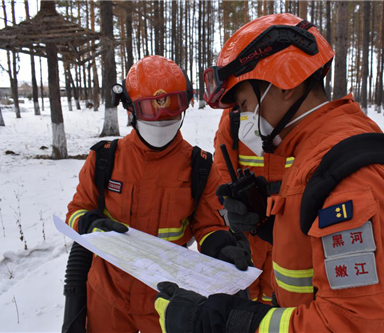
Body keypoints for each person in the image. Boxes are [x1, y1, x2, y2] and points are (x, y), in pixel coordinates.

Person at [155, 14, 384, 332]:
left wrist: (223, 322)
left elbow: (354, 324)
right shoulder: (317, 154)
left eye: (244, 104)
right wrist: (270, 223)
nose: (243, 120)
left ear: (287, 84)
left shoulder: (354, 179)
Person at [65, 55, 252, 333]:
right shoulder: (105, 160)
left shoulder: (199, 166)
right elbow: (76, 212)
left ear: (185, 104)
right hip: (107, 296)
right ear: (129, 107)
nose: (162, 118)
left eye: (171, 106)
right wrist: (90, 224)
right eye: (150, 108)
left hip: (166, 301)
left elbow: (208, 225)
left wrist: (220, 244)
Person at [213, 107, 295, 305]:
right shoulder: (234, 122)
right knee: (244, 282)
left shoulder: (297, 118)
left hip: (287, 223)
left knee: (279, 286)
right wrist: (233, 204)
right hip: (248, 225)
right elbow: (222, 170)